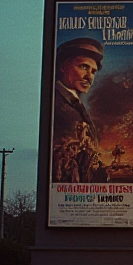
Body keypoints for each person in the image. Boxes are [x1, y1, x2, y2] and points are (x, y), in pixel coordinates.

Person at [52, 37, 104, 183]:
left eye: (93, 71)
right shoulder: (57, 102)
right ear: (64, 66)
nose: (89, 77)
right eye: (84, 67)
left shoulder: (75, 103)